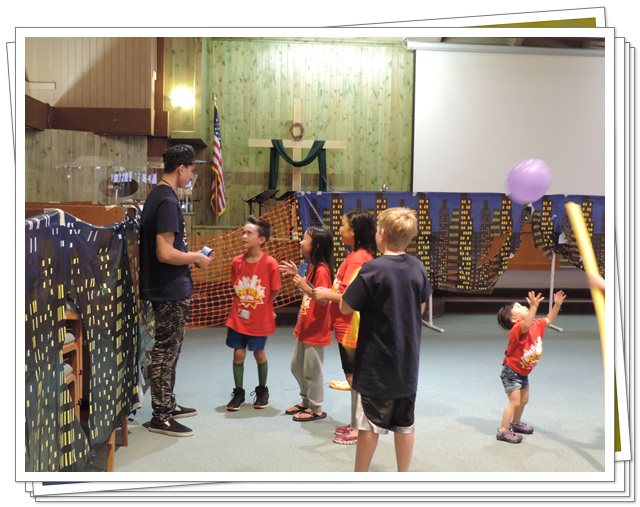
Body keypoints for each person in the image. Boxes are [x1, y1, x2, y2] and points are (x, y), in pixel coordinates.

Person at [339, 207, 431, 472]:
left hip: (375, 363)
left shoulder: (372, 269)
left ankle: (360, 477)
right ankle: (403, 477)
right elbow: (421, 308)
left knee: (369, 425)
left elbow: (346, 306)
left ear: (382, 234)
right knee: (405, 424)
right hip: (407, 363)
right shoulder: (417, 267)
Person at [140, 144, 214, 437]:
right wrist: (196, 257)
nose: (193, 176)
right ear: (181, 168)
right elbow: (165, 252)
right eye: (192, 170)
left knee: (171, 349)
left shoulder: (158, 195)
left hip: (167, 286)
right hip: (168, 288)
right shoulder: (168, 201)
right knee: (165, 351)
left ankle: (167, 404)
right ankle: (161, 416)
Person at [313, 208, 377, 444]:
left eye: (343, 225)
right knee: (352, 378)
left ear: (355, 231)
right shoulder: (354, 256)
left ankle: (360, 429)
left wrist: (325, 294)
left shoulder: (359, 258)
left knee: (356, 380)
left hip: (353, 327)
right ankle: (356, 423)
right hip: (345, 326)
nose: (339, 229)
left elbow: (351, 297)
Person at [225, 215, 281, 411]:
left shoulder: (270, 263)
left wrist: (265, 306)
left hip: (259, 320)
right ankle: (238, 393)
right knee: (238, 354)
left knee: (259, 354)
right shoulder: (236, 262)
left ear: (261, 239)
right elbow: (235, 287)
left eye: (249, 233)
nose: (244, 236)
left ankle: (262, 390)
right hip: (238, 318)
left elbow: (275, 289)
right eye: (243, 232)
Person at [496, 289, 567, 443]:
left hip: (523, 373)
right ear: (514, 319)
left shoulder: (536, 324)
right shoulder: (517, 329)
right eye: (518, 307)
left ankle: (515, 423)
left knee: (524, 400)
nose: (523, 306)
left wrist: (556, 305)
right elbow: (526, 326)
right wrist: (533, 307)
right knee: (515, 402)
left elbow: (549, 319)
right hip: (512, 372)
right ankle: (503, 431)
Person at [279, 227, 334, 422]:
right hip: (304, 327)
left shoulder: (322, 270)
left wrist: (305, 286)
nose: (301, 242)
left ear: (316, 246)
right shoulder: (312, 267)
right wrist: (297, 274)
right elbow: (310, 290)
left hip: (316, 330)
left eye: (305, 239)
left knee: (312, 371)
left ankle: (316, 407)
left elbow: (323, 300)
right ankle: (306, 401)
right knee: (297, 366)